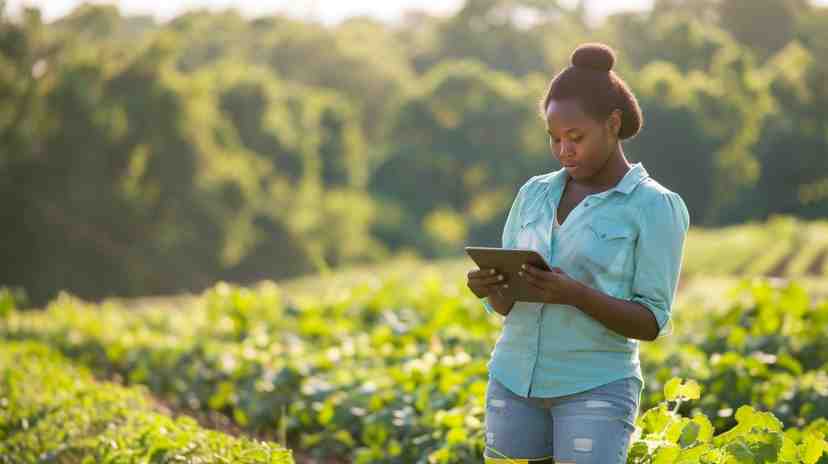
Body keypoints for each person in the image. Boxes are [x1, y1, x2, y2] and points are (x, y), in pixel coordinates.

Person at [466, 42, 690, 463]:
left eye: (576, 137)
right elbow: (506, 307)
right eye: (554, 139)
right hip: (513, 382)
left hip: (596, 387)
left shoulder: (654, 206)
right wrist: (491, 286)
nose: (564, 150)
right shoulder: (533, 194)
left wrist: (575, 293)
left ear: (613, 123)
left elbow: (650, 321)